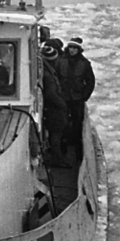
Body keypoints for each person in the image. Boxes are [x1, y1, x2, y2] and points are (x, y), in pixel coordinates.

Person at [62, 38, 96, 159]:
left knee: (77, 124)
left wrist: (84, 96)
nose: (72, 50)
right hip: (64, 97)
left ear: (78, 50)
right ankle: (64, 147)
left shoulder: (85, 64)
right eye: (70, 47)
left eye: (74, 48)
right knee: (63, 123)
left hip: (77, 98)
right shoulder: (61, 61)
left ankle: (77, 150)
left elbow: (90, 81)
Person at [39, 37, 69, 165]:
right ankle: (57, 158)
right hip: (54, 109)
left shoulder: (47, 72)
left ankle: (56, 156)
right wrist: (62, 104)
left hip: (51, 108)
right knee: (57, 133)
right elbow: (51, 94)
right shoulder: (49, 76)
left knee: (55, 133)